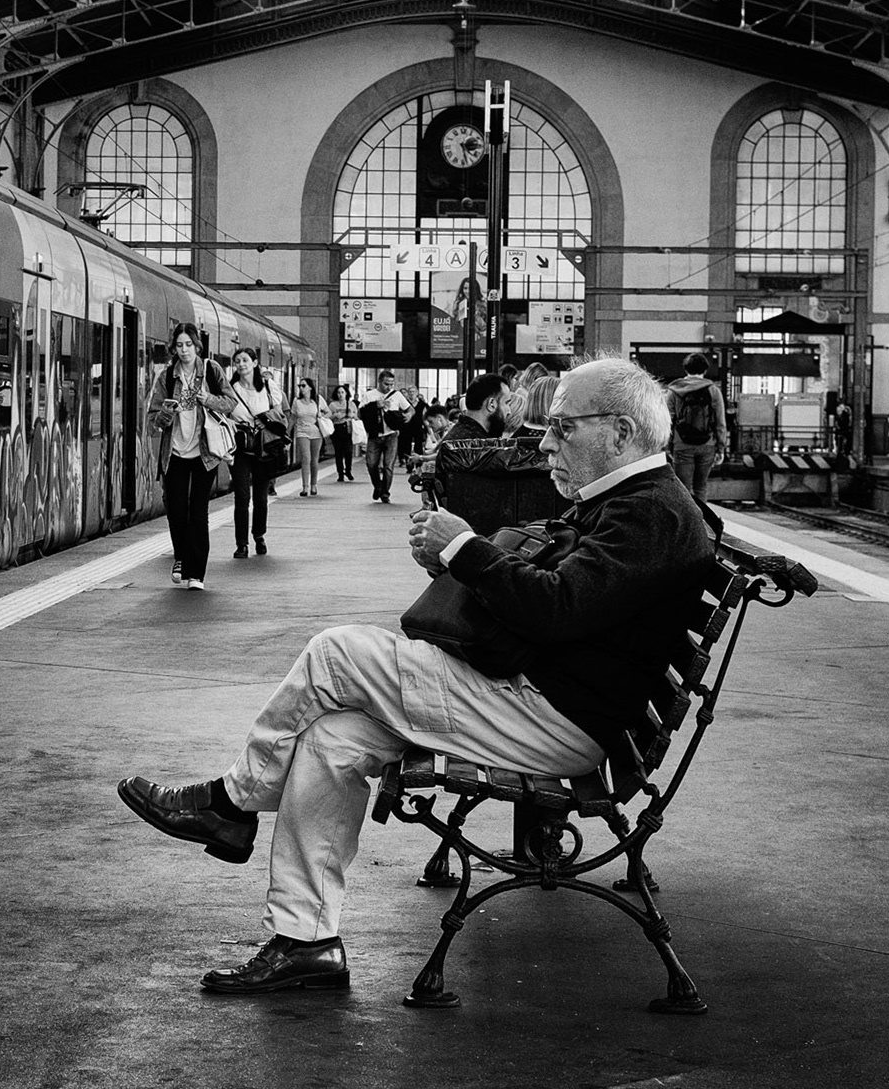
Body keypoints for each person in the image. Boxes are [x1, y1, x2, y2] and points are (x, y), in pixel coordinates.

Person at [117, 358, 719, 994]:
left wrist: (463, 548)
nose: (545, 443)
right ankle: (305, 940)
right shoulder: (634, 501)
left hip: (553, 717)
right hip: (534, 698)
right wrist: (465, 562)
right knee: (331, 740)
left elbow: (555, 607)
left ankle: (229, 804)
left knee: (334, 653)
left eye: (563, 428)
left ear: (621, 432)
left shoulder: (651, 513)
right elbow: (563, 600)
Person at [148, 324, 235, 590]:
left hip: (204, 453)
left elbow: (231, 402)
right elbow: (153, 420)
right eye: (179, 345)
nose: (184, 350)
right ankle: (182, 557)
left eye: (189, 345)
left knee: (198, 513)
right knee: (176, 511)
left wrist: (208, 399)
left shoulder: (211, 370)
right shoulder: (167, 376)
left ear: (197, 346)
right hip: (174, 452)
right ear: (173, 348)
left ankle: (196, 574)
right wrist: (166, 412)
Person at [227, 347, 280, 559]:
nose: (241, 364)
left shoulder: (268, 386)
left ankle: (259, 535)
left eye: (245, 360)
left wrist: (265, 420)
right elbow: (224, 415)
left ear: (255, 363)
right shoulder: (231, 389)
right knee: (241, 496)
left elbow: (280, 412)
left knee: (260, 497)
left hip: (263, 448)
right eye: (237, 361)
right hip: (240, 448)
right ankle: (241, 544)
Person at [664, 354, 727, 497]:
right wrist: (721, 448)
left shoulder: (674, 391)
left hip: (681, 445)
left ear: (686, 369)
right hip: (707, 445)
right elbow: (720, 422)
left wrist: (667, 447)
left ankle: (685, 512)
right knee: (701, 488)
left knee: (683, 490)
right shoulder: (713, 391)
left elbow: (667, 421)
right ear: (705, 370)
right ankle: (700, 512)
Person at [357, 369, 412, 504]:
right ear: (379, 382)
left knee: (388, 466)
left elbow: (410, 409)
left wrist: (409, 415)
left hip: (391, 435)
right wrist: (375, 406)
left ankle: (385, 493)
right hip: (374, 435)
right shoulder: (369, 395)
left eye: (391, 384)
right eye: (386, 384)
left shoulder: (397, 395)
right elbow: (360, 414)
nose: (389, 387)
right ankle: (378, 486)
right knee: (371, 464)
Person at [286, 376, 327, 496]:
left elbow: (328, 411)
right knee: (306, 458)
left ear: (310, 387)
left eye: (303, 385)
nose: (301, 388)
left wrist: (321, 416)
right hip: (302, 432)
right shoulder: (296, 401)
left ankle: (314, 485)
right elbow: (293, 418)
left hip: (316, 432)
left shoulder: (318, 399)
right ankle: (305, 487)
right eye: (299, 386)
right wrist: (287, 432)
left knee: (314, 460)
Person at [445, 373, 508, 441]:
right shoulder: (475, 443)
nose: (509, 411)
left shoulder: (460, 434)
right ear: (491, 404)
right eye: (506, 403)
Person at [329, 383, 357, 482]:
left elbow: (356, 416)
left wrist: (351, 415)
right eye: (338, 392)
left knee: (348, 451)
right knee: (338, 453)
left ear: (346, 393)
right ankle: (340, 473)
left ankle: (348, 471)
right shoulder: (332, 405)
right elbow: (328, 417)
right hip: (337, 429)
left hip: (348, 429)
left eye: (342, 392)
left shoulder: (351, 404)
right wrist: (335, 415)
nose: (340, 394)